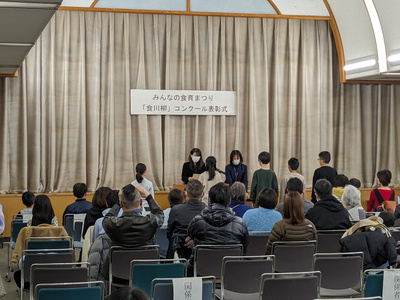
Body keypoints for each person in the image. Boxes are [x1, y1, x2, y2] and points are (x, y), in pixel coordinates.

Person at [187, 183, 249, 275]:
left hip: (201, 270)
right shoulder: (240, 224)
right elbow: (245, 247)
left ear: (209, 200)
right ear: (229, 201)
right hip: (231, 271)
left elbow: (189, 237)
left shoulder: (197, 221)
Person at [167, 180, 206, 259]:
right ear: (203, 194)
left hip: (178, 255)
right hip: (201, 256)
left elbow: (169, 233)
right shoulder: (207, 211)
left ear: (185, 193)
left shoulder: (175, 210)